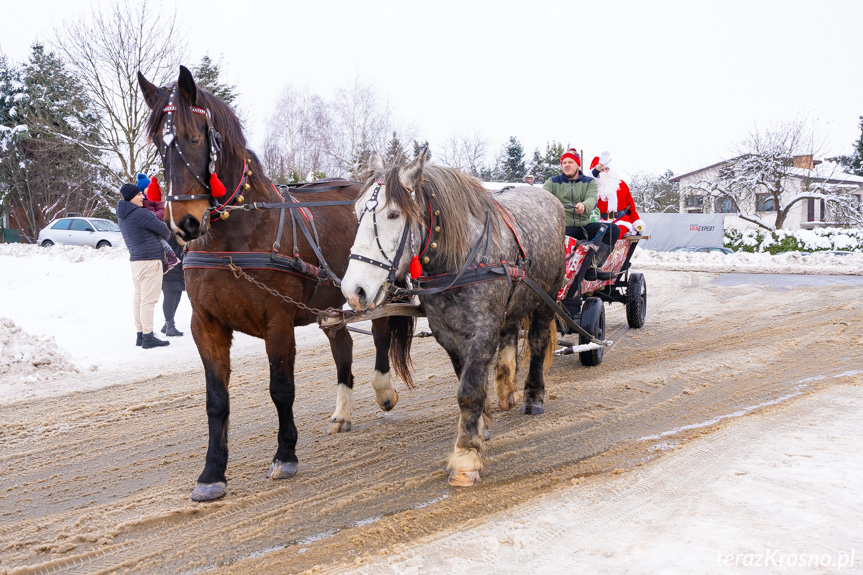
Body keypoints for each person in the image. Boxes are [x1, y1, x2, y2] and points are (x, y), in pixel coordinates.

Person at [117, 183, 172, 349]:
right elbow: (166, 232)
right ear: (131, 197)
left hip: (136, 260)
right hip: (150, 260)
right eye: (139, 194)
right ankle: (148, 336)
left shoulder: (123, 215)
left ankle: (140, 334)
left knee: (139, 298)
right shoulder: (141, 213)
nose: (143, 197)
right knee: (149, 300)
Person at [590, 152, 646, 237]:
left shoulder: (621, 185)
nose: (605, 172)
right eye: (602, 170)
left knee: (613, 233)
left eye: (607, 169)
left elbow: (631, 207)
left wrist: (636, 223)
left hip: (620, 221)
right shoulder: (591, 187)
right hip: (597, 221)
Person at [136, 173, 179, 272]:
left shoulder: (155, 199)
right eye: (147, 188)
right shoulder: (140, 202)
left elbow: (162, 211)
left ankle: (170, 257)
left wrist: (154, 215)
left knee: (162, 242)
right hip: (147, 227)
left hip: (157, 223)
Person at [160, 233, 186, 337]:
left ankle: (167, 325)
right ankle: (170, 326)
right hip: (170, 267)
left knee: (177, 295)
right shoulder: (169, 232)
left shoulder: (179, 236)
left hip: (179, 268)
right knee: (170, 297)